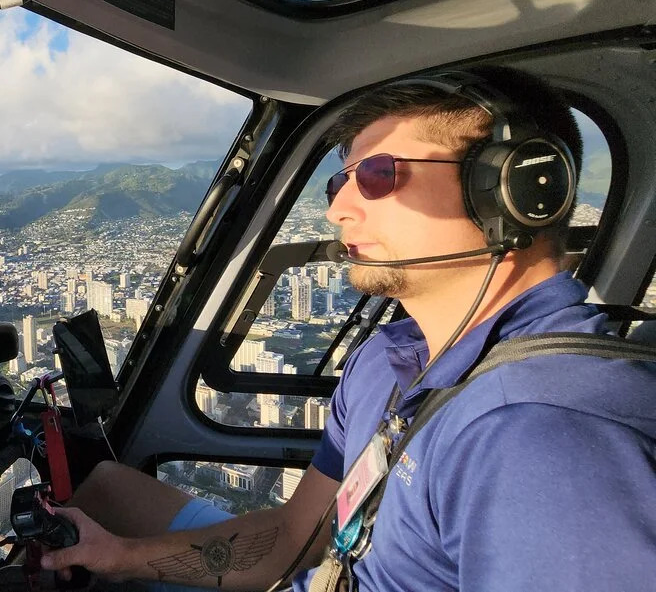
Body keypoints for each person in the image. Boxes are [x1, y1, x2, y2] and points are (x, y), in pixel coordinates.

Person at [39, 67, 656, 591]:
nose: (337, 207)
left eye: (378, 175)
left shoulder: (546, 437)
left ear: (515, 190)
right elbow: (294, 536)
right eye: (341, 180)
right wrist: (122, 558)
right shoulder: (388, 358)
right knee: (107, 488)